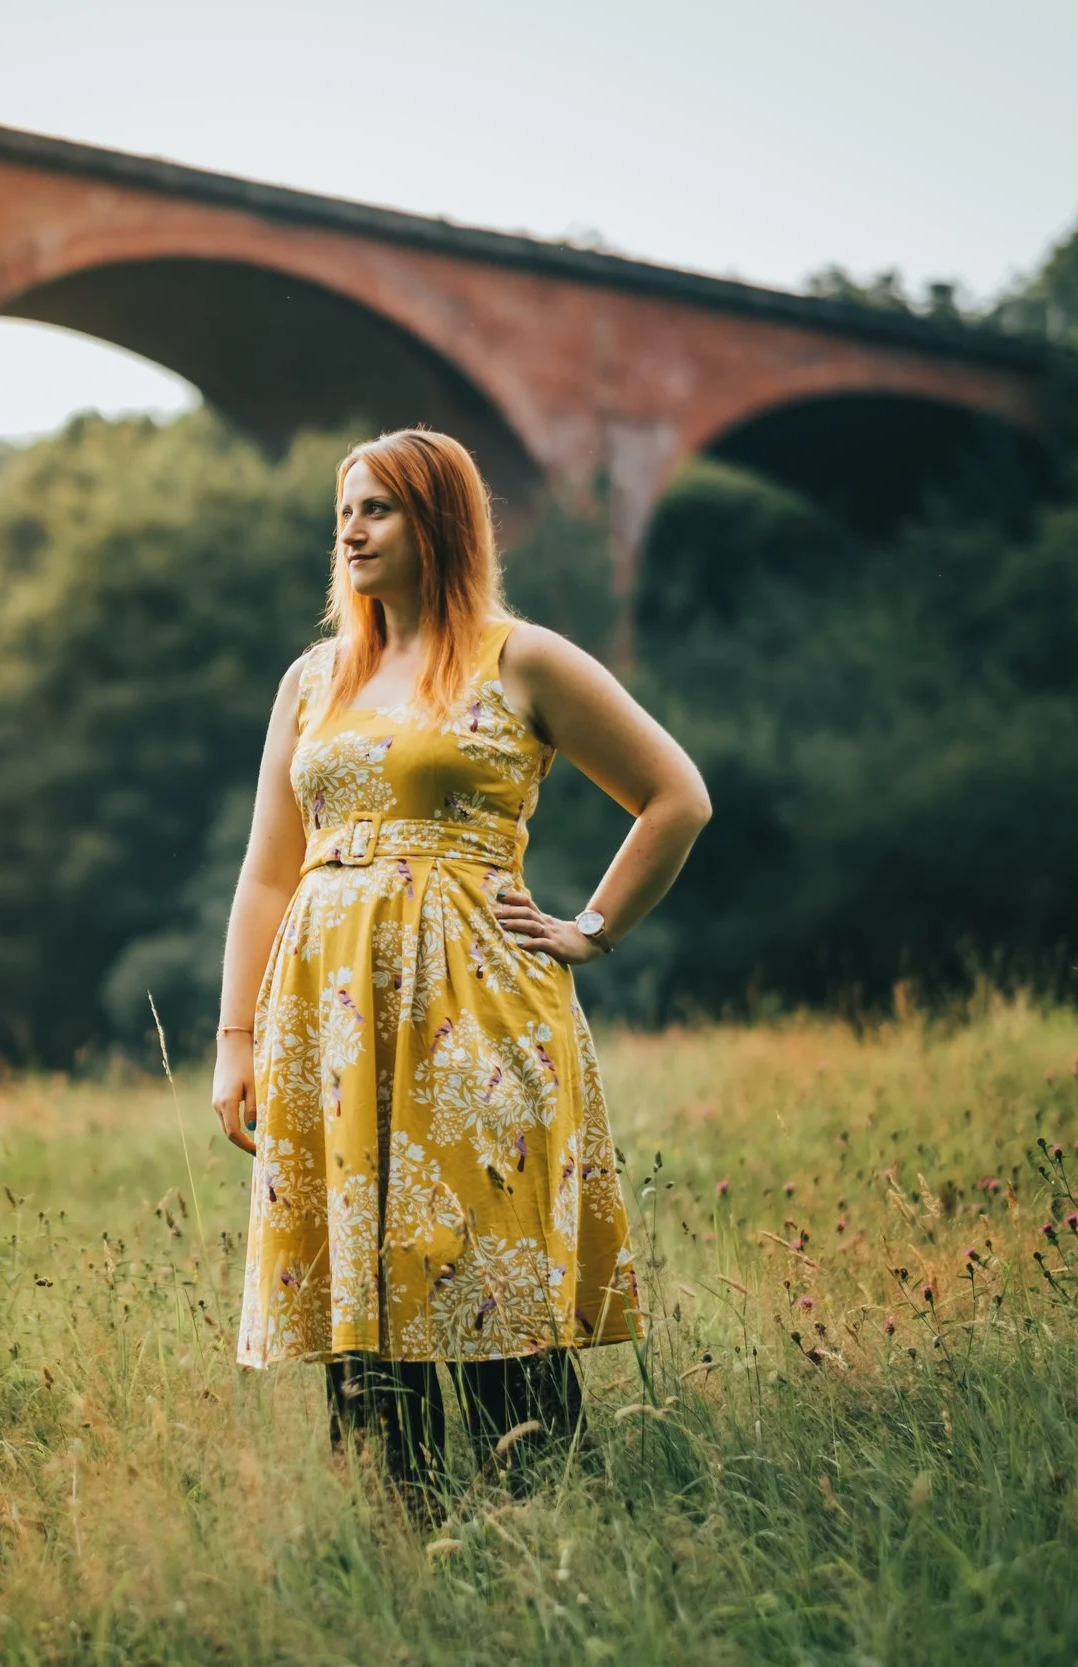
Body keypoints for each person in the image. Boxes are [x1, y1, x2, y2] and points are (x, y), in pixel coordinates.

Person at [210, 427, 711, 1504]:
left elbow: (677, 796)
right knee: (360, 1279)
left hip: (479, 1003)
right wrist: (235, 1041)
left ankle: (543, 1524)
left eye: (378, 507)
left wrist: (591, 926)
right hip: (328, 1015)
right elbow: (264, 874)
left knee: (486, 1259)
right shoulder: (312, 681)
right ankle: (404, 1537)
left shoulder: (518, 656)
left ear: (438, 521)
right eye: (344, 507)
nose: (351, 527)